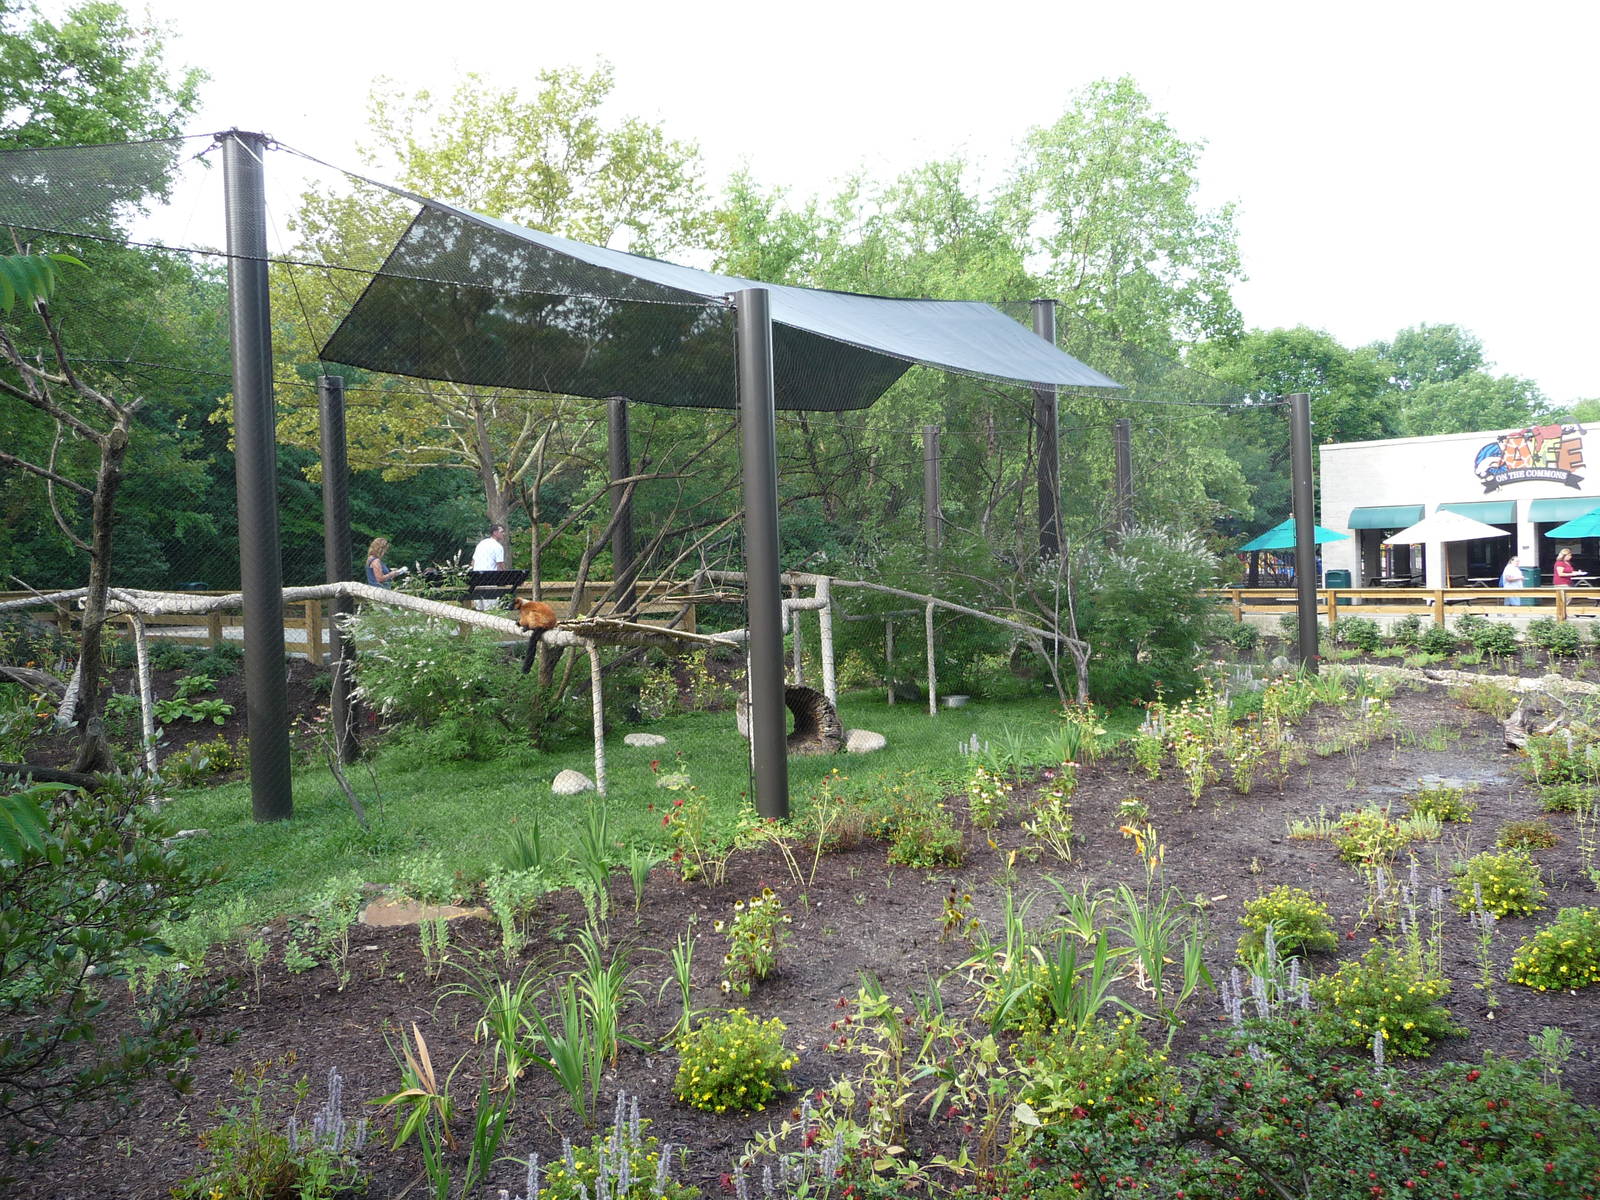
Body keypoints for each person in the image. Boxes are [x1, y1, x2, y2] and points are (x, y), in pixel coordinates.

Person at [471, 523, 509, 610]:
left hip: (477, 579)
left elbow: (473, 562)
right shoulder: (498, 546)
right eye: (502, 532)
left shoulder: (481, 543)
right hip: (490, 579)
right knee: (491, 609)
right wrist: (506, 578)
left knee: (479, 609)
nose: (504, 534)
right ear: (495, 533)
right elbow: (500, 565)